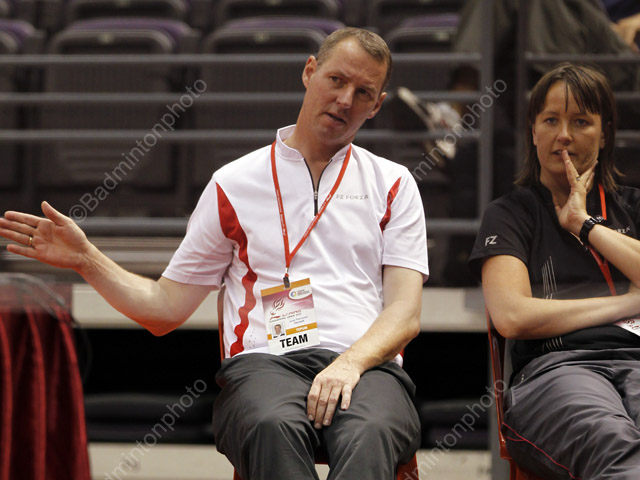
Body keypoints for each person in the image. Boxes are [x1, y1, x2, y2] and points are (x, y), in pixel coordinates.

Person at [0, 27, 428, 479]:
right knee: (271, 425)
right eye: (336, 80)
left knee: (370, 431)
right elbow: (164, 309)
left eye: (363, 93)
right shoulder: (234, 183)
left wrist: (350, 364)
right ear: (309, 72)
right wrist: (87, 258)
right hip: (266, 365)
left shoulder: (394, 184)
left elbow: (404, 313)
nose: (344, 100)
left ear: (377, 105)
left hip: (367, 367)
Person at [469, 63, 640, 479]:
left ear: (604, 133)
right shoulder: (510, 214)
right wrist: (629, 303)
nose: (563, 135)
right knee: (612, 442)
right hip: (557, 370)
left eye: (580, 121)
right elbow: (513, 316)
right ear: (533, 131)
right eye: (550, 120)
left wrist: (584, 224)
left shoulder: (633, 206)